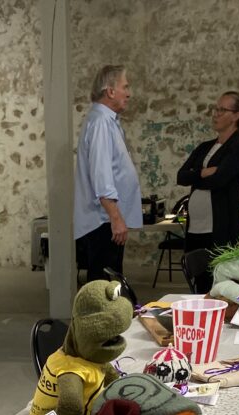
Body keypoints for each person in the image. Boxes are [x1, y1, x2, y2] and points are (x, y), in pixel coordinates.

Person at [74, 65, 142, 282]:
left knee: (111, 284)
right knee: (104, 286)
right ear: (110, 91)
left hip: (106, 220)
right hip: (103, 221)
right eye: (125, 87)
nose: (129, 93)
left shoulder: (106, 121)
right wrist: (115, 217)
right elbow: (102, 175)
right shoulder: (101, 122)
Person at [177, 91, 239, 290]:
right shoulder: (205, 147)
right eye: (215, 109)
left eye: (222, 110)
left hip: (221, 226)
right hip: (196, 228)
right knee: (200, 282)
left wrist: (197, 176)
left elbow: (219, 180)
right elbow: (181, 176)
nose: (216, 114)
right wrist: (203, 172)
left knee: (220, 283)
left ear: (236, 115)